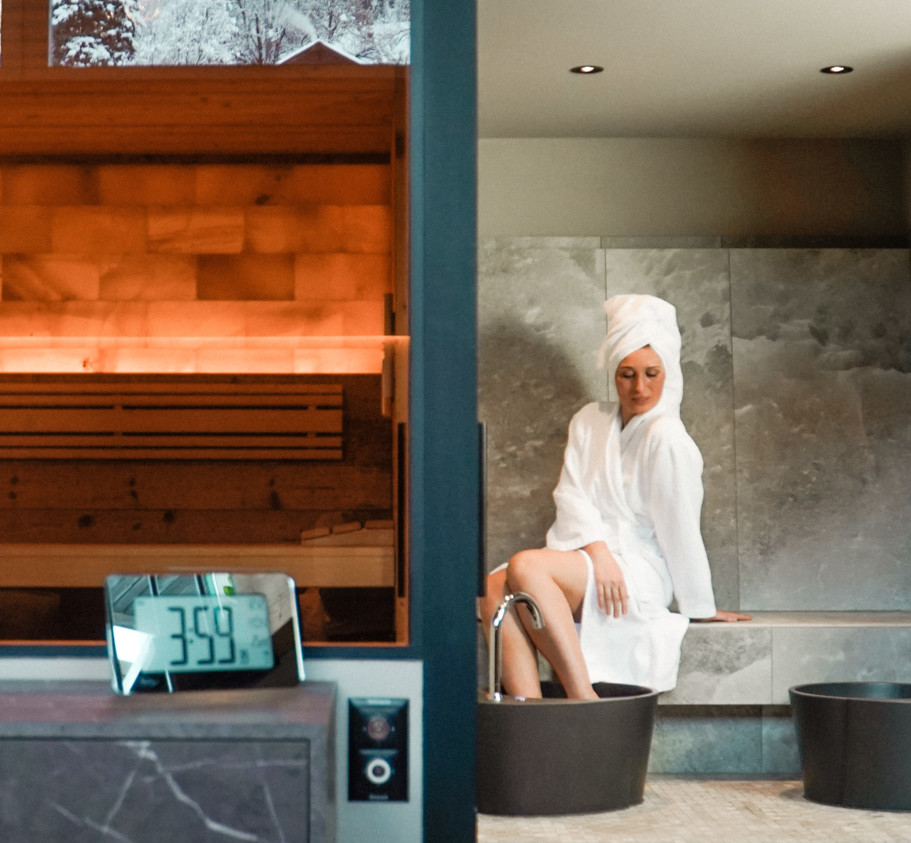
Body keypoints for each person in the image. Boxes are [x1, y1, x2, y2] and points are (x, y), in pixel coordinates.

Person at [480, 294, 750, 699]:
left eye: (651, 373)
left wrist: (700, 607)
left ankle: (582, 697)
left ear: (669, 372)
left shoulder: (668, 440)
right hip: (590, 556)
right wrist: (599, 554)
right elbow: (571, 494)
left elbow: (680, 528)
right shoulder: (589, 421)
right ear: (614, 373)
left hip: (639, 569)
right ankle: (529, 709)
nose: (639, 388)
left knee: (526, 566)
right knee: (491, 586)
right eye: (627, 374)